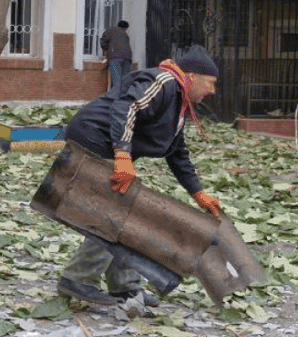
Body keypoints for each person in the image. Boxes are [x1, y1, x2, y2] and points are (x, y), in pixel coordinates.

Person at [55, 44, 223, 306]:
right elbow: (127, 107)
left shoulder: (179, 102)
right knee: (114, 212)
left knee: (128, 214)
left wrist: (198, 192)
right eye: (210, 83)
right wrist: (122, 153)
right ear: (191, 77)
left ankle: (124, 286)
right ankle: (78, 279)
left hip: (110, 145)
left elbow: (177, 152)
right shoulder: (164, 81)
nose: (212, 91)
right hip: (95, 137)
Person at [100, 20, 133, 90]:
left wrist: (106, 51)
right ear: (126, 28)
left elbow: (103, 41)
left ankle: (115, 98)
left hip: (115, 58)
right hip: (127, 57)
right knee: (125, 80)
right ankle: (124, 98)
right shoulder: (125, 34)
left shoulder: (110, 30)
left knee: (116, 79)